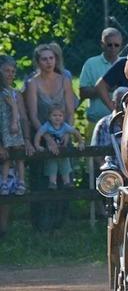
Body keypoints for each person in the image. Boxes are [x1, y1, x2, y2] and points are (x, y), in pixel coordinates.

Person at [25, 44, 77, 230]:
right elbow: (32, 115)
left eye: (51, 58)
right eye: (44, 59)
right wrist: (46, 138)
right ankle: (40, 224)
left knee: (65, 175)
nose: (48, 62)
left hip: (63, 130)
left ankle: (61, 223)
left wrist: (66, 134)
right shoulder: (32, 83)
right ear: (38, 62)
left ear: (56, 59)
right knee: (41, 177)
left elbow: (70, 110)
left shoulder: (64, 79)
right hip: (40, 133)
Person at [79, 28, 123, 141]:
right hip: (95, 121)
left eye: (116, 45)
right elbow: (83, 92)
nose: (113, 48)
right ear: (102, 44)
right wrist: (105, 88)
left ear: (121, 45)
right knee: (93, 157)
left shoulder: (125, 64)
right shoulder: (91, 64)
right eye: (109, 45)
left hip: (121, 124)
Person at [0, 55, 34, 196]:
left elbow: (23, 119)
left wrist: (26, 139)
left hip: (13, 144)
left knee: (8, 194)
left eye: (13, 71)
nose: (10, 74)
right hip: (2, 144)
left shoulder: (16, 94)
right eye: (6, 70)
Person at [34, 104, 85, 189]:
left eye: (60, 116)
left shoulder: (64, 126)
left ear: (63, 117)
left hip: (63, 150)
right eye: (54, 115)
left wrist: (81, 142)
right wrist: (37, 145)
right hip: (51, 151)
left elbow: (76, 132)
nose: (57, 118)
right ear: (49, 117)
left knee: (65, 165)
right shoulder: (47, 126)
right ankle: (52, 183)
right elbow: (38, 134)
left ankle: (67, 182)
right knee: (51, 166)